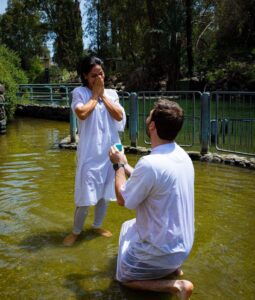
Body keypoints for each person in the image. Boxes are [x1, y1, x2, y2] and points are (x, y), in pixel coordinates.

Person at [109, 99, 194, 299]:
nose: (147, 118)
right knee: (130, 225)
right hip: (183, 247)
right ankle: (173, 268)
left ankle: (176, 285)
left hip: (162, 251)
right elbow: (150, 179)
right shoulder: (182, 156)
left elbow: (122, 199)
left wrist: (118, 165)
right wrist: (127, 164)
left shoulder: (150, 164)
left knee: (123, 278)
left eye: (149, 115)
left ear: (152, 125)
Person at [63, 56, 126, 246]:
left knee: (105, 196)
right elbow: (81, 113)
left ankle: (97, 226)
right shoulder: (79, 93)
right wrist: (94, 96)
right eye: (93, 75)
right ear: (85, 76)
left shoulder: (112, 94)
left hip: (110, 154)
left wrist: (103, 95)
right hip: (89, 155)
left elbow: (119, 115)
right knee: (84, 198)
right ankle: (76, 231)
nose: (99, 78)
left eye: (101, 74)